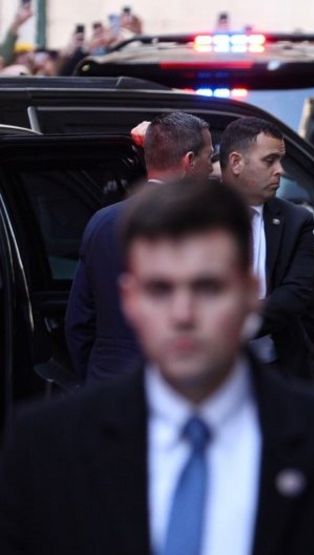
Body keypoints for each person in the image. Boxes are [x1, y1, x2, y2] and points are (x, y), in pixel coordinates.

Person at [0, 179, 314, 555]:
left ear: (251, 295)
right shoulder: (46, 450)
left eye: (207, 287)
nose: (183, 314)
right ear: (130, 300)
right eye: (160, 289)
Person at [65, 111, 213, 386]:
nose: (211, 168)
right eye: (209, 157)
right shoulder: (204, 227)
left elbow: (79, 321)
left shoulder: (101, 222)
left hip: (108, 382)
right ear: (189, 161)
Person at [219, 117, 314, 378]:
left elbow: (296, 293)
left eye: (280, 160)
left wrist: (237, 324)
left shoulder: (297, 220)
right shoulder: (196, 214)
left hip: (276, 368)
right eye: (269, 160)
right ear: (236, 162)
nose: (280, 170)